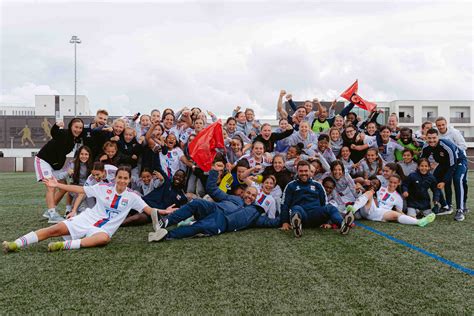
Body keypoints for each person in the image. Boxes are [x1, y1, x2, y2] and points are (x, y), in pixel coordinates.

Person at [3, 166, 177, 253]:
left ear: (130, 180)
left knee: (103, 239)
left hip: (103, 229)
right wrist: (56, 184)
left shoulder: (132, 197)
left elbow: (148, 210)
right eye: (120, 178)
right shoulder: (102, 187)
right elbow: (80, 190)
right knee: (54, 229)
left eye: (126, 178)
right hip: (87, 219)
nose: (123, 181)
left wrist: (163, 212)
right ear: (115, 178)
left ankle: (63, 246)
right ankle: (15, 244)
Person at [148, 162, 280, 241]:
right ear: (244, 193)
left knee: (199, 227)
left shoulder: (254, 213)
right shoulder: (233, 198)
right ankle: (164, 222)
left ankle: (165, 235)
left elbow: (270, 222)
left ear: (255, 199)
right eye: (248, 193)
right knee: (197, 203)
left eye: (253, 196)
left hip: (222, 222)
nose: (250, 196)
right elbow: (213, 190)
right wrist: (213, 172)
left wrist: (286, 218)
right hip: (213, 208)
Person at [280, 160, 355, 237]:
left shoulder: (318, 185)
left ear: (310, 171)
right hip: (301, 214)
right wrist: (285, 222)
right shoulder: (291, 186)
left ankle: (343, 224)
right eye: (301, 171)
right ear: (297, 171)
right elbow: (284, 204)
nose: (303, 173)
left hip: (315, 215)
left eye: (306, 171)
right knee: (296, 208)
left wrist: (327, 221)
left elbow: (324, 204)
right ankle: (297, 225)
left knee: (330, 208)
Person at [35, 118, 84, 222]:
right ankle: (53, 214)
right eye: (76, 127)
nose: (78, 130)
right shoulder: (64, 133)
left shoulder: (74, 139)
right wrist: (57, 125)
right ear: (71, 127)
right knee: (50, 186)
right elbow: (54, 132)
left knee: (63, 187)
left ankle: (50, 211)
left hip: (54, 165)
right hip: (43, 160)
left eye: (80, 128)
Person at [346, 175, 436, 227]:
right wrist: (361, 186)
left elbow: (399, 211)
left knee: (396, 215)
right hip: (369, 208)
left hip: (381, 213)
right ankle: (352, 209)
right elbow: (366, 191)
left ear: (398, 183)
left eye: (395, 183)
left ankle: (419, 222)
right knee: (370, 193)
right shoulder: (380, 188)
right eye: (391, 182)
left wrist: (411, 217)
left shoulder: (398, 198)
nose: (392, 184)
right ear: (388, 181)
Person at [420, 128, 468, 221]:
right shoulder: (426, 146)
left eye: (434, 138)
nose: (432, 140)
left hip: (458, 162)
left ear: (438, 137)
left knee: (458, 179)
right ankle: (445, 206)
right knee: (432, 180)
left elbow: (452, 166)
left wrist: (444, 181)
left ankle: (460, 210)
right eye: (429, 138)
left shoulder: (446, 145)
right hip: (444, 164)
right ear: (426, 138)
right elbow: (422, 161)